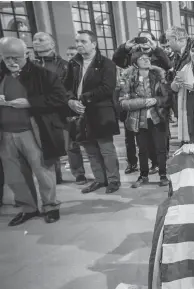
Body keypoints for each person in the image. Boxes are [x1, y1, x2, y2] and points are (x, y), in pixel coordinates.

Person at [0, 37, 67, 225]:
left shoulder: (42, 75)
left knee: (43, 171)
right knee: (15, 175)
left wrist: (31, 103)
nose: (11, 62)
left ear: (26, 55)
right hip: (5, 133)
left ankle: (51, 206)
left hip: (32, 131)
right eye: (7, 59)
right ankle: (28, 208)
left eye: (16, 58)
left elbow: (59, 98)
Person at [65, 30, 121, 194]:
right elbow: (66, 86)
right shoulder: (73, 63)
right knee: (90, 149)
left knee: (106, 149)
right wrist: (70, 101)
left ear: (94, 44)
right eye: (77, 42)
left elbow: (107, 88)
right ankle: (99, 180)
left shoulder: (106, 64)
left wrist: (82, 98)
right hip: (79, 112)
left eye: (83, 41)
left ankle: (113, 180)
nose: (79, 45)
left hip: (101, 111)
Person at [119, 50, 171, 188]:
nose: (146, 60)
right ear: (135, 63)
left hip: (158, 117)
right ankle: (143, 176)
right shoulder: (129, 79)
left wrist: (155, 100)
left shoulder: (159, 76)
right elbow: (123, 102)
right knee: (142, 149)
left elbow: (166, 98)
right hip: (138, 118)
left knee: (160, 148)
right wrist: (142, 102)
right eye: (142, 58)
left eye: (147, 57)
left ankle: (163, 175)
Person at [32, 31, 74, 185]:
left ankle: (58, 176)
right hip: (36, 111)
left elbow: (65, 90)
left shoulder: (64, 66)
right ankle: (50, 178)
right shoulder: (31, 65)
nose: (36, 42)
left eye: (41, 39)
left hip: (57, 112)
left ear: (51, 44)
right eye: (34, 39)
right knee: (40, 147)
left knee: (59, 146)